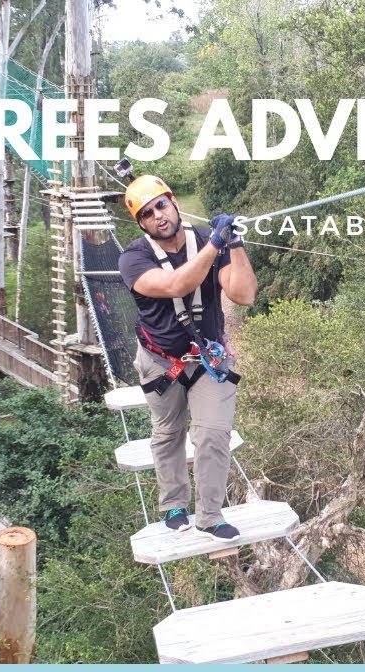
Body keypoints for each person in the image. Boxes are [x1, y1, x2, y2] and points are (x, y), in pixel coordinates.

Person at [117, 175, 257, 542]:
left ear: (173, 201)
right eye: (147, 213)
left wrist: (236, 244)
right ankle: (173, 503)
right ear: (141, 223)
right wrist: (215, 244)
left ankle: (209, 516)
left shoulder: (208, 242)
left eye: (161, 205)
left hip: (209, 359)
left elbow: (243, 295)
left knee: (213, 434)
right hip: (161, 361)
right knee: (168, 432)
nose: (158, 216)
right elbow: (177, 285)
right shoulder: (133, 258)